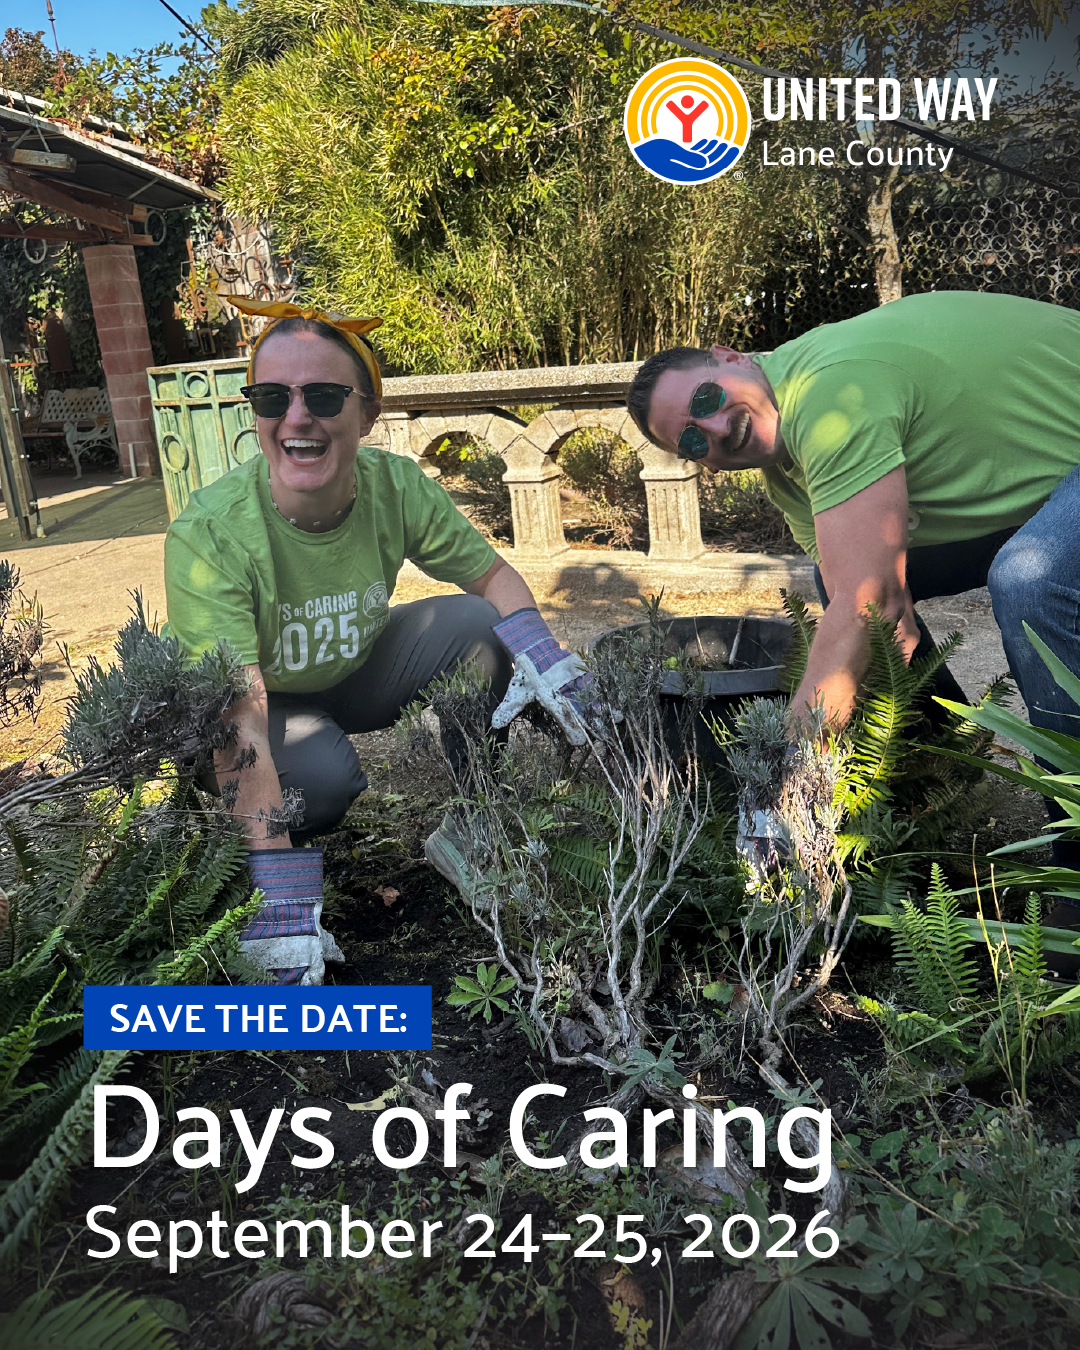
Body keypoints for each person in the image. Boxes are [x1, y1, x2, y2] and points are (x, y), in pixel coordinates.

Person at [626, 290, 1080, 961]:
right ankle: (938, 785)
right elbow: (878, 617)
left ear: (731, 358)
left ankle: (1074, 852)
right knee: (834, 578)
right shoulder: (786, 469)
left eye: (705, 401)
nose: (716, 429)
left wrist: (789, 786)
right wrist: (855, 768)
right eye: (693, 439)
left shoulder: (829, 395)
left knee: (1030, 580)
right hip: (1052, 469)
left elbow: (868, 608)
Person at [163, 297, 588, 984]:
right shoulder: (213, 534)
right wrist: (280, 893)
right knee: (324, 779)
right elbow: (237, 719)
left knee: (482, 629)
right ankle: (259, 871)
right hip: (250, 713)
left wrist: (545, 657)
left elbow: (495, 577)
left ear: (367, 413)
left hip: (351, 671)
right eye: (272, 396)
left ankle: (475, 821)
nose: (296, 417)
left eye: (325, 396)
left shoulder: (395, 487)